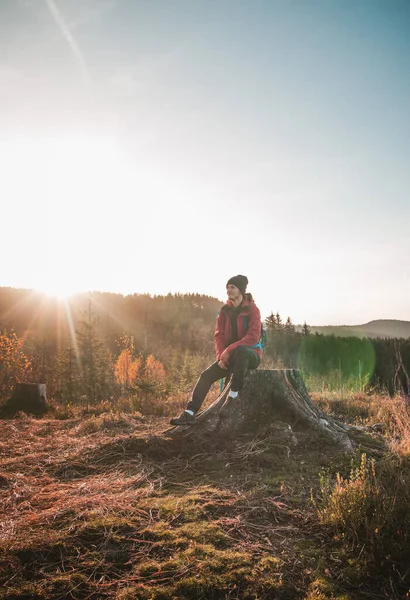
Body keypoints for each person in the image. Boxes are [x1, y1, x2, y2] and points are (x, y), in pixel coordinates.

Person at [170, 275, 262, 425]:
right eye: (227, 287)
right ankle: (189, 412)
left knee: (241, 351)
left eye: (232, 287)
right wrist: (221, 357)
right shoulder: (224, 311)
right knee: (206, 375)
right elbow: (219, 336)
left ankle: (232, 397)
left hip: (251, 355)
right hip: (230, 357)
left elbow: (253, 337)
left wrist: (229, 350)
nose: (228, 290)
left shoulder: (253, 309)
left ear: (241, 290)